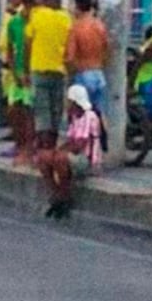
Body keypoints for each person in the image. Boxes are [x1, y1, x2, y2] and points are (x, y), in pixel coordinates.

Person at [35, 84, 102, 220]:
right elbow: (69, 140)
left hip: (86, 159)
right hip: (74, 154)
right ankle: (56, 194)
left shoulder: (90, 117)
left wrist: (60, 152)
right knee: (43, 157)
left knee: (60, 159)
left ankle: (64, 196)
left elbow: (80, 144)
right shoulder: (73, 117)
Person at [25, 0, 71, 153]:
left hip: (39, 68)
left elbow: (28, 42)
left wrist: (26, 65)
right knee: (56, 110)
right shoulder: (66, 18)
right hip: (59, 70)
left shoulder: (37, 15)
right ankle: (52, 146)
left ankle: (44, 149)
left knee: (42, 111)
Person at [1, 0, 36, 165]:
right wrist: (15, 72)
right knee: (14, 110)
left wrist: (30, 74)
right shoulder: (14, 23)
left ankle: (28, 148)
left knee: (29, 113)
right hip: (18, 73)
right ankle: (19, 143)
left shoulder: (36, 23)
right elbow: (10, 49)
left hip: (32, 74)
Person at [65, 0, 109, 117]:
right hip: (99, 74)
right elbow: (106, 49)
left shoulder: (76, 27)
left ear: (76, 5)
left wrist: (69, 73)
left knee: (81, 116)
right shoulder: (99, 26)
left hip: (83, 74)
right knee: (99, 114)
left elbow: (70, 57)